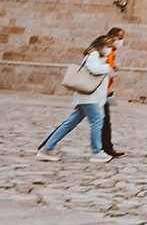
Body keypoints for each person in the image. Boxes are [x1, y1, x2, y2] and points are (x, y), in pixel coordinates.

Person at [37, 34, 117, 163]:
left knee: (70, 123)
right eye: (107, 46)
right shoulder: (93, 54)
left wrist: (110, 69)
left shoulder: (98, 57)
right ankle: (97, 152)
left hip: (90, 97)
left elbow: (100, 73)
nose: (109, 49)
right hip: (89, 97)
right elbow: (95, 70)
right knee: (97, 120)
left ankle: (46, 149)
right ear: (101, 45)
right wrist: (109, 67)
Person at [101, 27, 125, 158]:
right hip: (99, 91)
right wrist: (110, 68)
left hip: (105, 90)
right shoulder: (105, 50)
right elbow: (99, 67)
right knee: (103, 121)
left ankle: (106, 148)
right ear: (112, 36)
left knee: (104, 121)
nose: (120, 41)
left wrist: (112, 68)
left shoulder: (111, 50)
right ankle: (105, 149)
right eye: (120, 38)